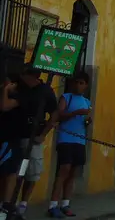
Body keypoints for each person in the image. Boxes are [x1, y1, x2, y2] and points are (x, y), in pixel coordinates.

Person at [11, 65, 58, 218]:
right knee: (13, 172)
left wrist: (44, 134)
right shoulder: (19, 88)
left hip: (33, 138)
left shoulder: (45, 91)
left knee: (31, 173)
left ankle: (22, 204)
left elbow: (54, 114)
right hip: (15, 136)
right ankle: (9, 204)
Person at [48, 71, 92, 218]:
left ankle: (65, 204)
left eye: (81, 83)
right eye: (76, 82)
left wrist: (87, 120)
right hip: (65, 139)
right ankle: (53, 204)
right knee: (63, 170)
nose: (78, 86)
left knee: (73, 173)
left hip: (79, 140)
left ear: (86, 85)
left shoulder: (87, 102)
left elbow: (87, 121)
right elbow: (60, 116)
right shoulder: (66, 97)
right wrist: (76, 113)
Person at [0, 74, 23, 220]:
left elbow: (4, 106)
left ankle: (5, 205)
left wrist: (6, 90)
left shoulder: (19, 97)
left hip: (11, 140)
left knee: (10, 172)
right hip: (4, 139)